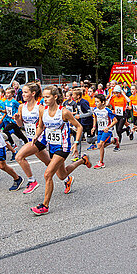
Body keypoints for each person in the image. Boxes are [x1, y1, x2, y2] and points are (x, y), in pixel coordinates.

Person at [30, 86, 92, 216]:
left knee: (48, 174)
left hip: (63, 147)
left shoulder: (63, 112)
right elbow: (41, 126)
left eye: (47, 97)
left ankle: (45, 205)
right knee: (62, 175)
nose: (44, 99)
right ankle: (82, 160)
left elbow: (79, 126)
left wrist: (75, 143)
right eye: (44, 97)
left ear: (55, 97)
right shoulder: (43, 111)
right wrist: (36, 135)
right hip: (51, 146)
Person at [14, 82, 51, 194]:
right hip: (31, 138)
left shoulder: (40, 107)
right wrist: (17, 119)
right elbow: (20, 125)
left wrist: (37, 135)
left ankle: (32, 181)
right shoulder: (21, 106)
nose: (23, 94)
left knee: (19, 157)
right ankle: (67, 179)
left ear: (33, 93)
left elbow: (44, 124)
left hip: (40, 139)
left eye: (26, 92)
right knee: (49, 163)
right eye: (23, 92)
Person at [92, 93, 119, 169]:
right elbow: (95, 118)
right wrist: (94, 127)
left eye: (97, 102)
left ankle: (101, 162)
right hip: (100, 129)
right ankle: (114, 141)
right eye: (95, 102)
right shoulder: (95, 110)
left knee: (101, 144)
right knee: (99, 146)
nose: (96, 103)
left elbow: (115, 120)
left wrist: (108, 127)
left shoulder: (107, 111)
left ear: (103, 102)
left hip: (107, 130)